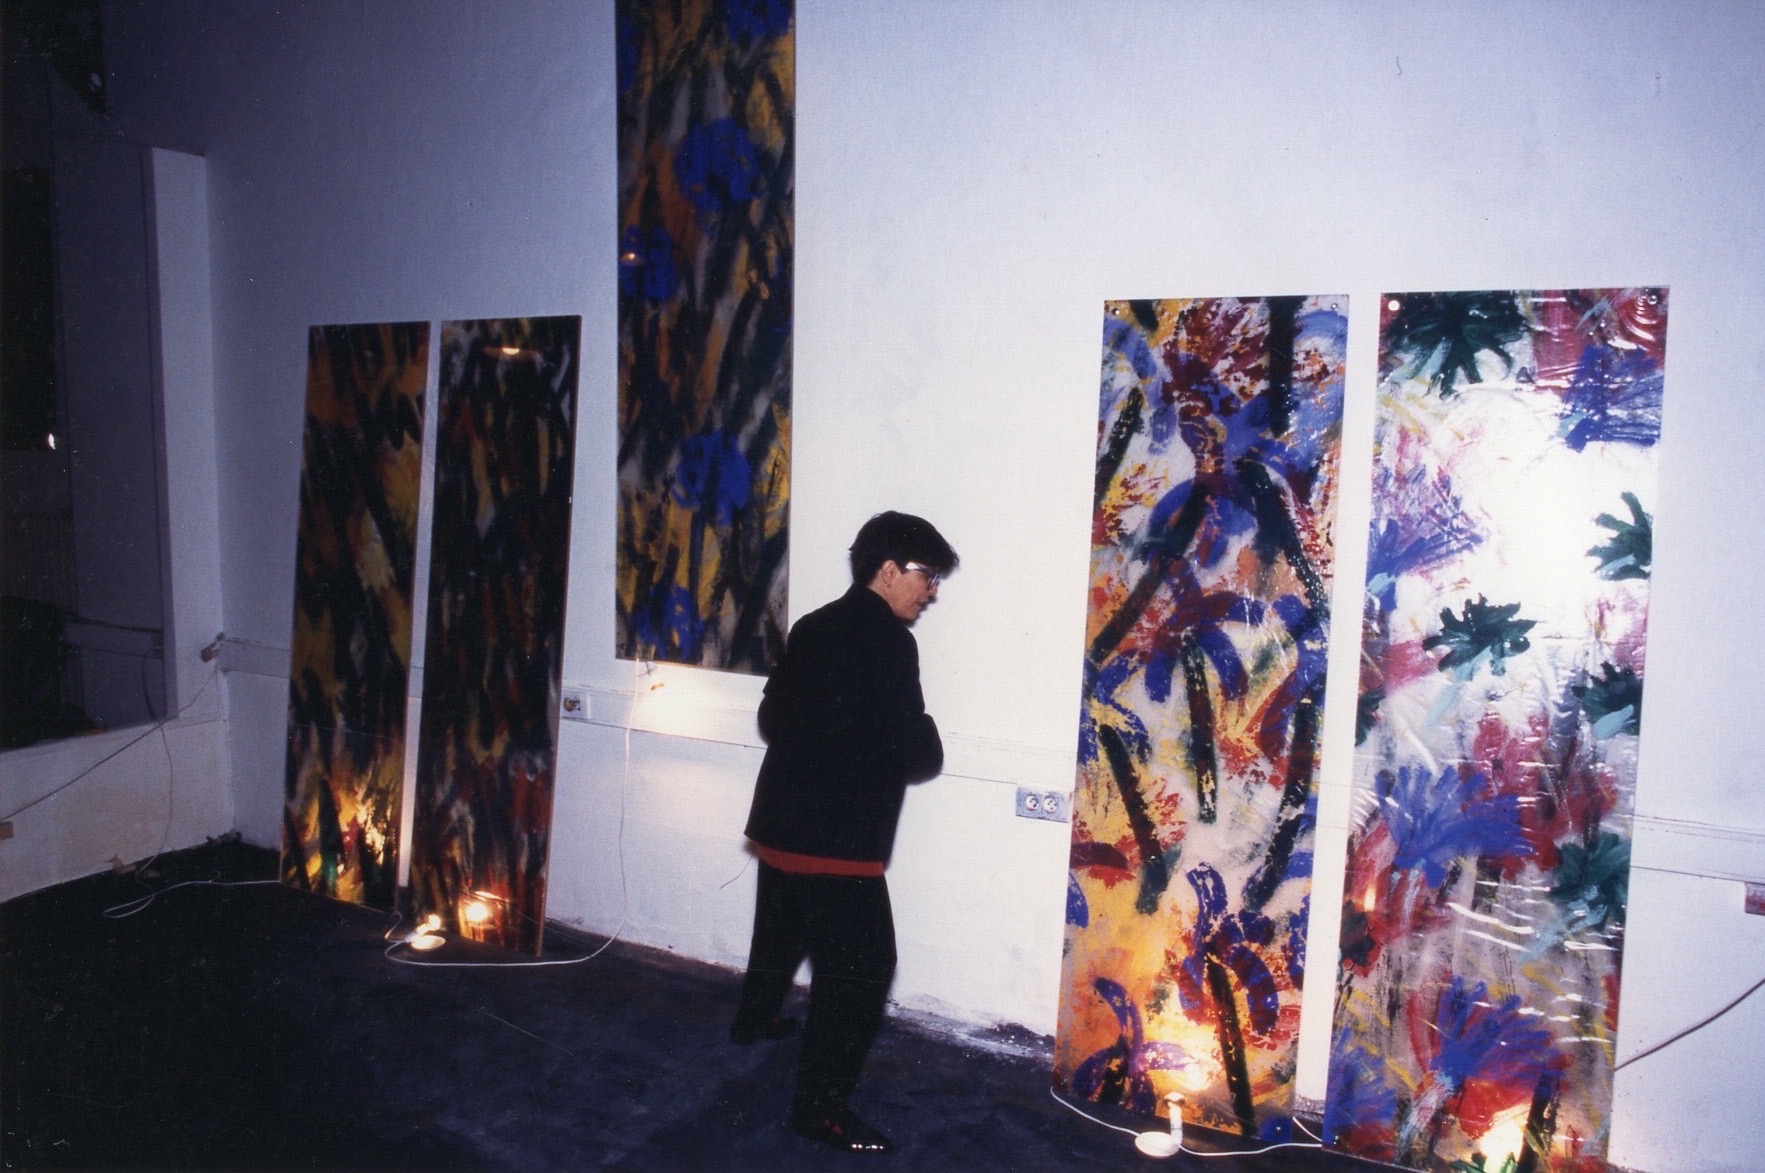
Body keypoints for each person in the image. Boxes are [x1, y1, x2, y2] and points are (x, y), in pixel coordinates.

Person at [731, 511, 959, 1155]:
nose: (931, 591)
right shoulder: (890, 642)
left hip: (780, 822)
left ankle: (754, 1019)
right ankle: (820, 1110)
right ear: (887, 570)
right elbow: (917, 753)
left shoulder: (813, 624)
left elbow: (773, 717)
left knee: (781, 926)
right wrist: (922, 735)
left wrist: (831, 740)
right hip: (838, 840)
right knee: (864, 970)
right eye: (927, 575)